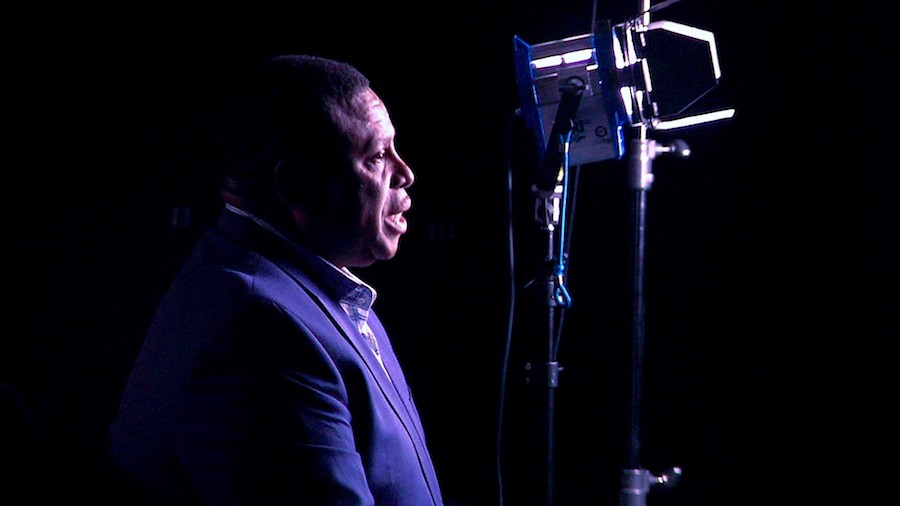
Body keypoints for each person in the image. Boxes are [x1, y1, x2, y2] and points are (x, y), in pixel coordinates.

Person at [109, 54, 444, 505]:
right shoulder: (263, 327)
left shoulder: (307, 289)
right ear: (298, 185)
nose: (405, 173)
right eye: (378, 156)